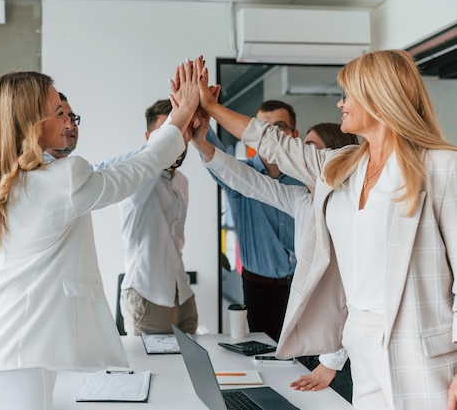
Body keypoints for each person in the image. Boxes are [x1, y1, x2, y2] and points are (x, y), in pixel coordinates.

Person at [193, 50, 457, 410]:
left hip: (420, 350)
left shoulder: (442, 168)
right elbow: (273, 142)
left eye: (347, 95)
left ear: (377, 95)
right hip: (358, 339)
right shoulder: (340, 167)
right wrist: (210, 108)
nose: (339, 103)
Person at [0, 64, 201, 410]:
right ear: (31, 123)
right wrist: (181, 116)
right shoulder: (61, 179)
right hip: (10, 364)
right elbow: (139, 167)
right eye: (59, 113)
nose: (69, 121)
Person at [191, 121, 357, 402]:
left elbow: (351, 292)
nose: (298, 154)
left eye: (309, 148)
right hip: (319, 344)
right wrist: (200, 143)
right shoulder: (302, 199)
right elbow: (249, 181)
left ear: (332, 157)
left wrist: (331, 362)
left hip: (342, 353)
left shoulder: (346, 210)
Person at [205, 99, 304, 342]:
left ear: (294, 134)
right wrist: (203, 110)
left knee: (306, 357)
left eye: (279, 126)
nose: (270, 134)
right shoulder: (240, 175)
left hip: (303, 286)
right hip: (260, 288)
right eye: (262, 127)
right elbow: (212, 154)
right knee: (267, 355)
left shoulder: (305, 179)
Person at [118, 98, 198, 336]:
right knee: (154, 370)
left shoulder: (182, 181)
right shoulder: (135, 176)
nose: (178, 140)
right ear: (149, 137)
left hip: (181, 290)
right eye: (168, 133)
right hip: (147, 292)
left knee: (192, 365)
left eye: (182, 132)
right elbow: (153, 160)